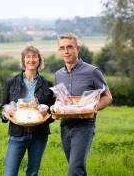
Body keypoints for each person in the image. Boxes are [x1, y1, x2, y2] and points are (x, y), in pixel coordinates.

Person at [54, 33, 113, 176]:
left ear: (77, 48)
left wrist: (93, 107)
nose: (66, 51)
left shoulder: (92, 71)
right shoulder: (58, 74)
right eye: (62, 48)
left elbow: (108, 97)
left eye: (70, 47)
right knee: (78, 169)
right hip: (65, 126)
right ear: (59, 51)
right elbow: (59, 99)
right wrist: (55, 108)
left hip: (84, 126)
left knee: (74, 171)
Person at [0, 46, 55, 176]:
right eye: (28, 57)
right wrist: (6, 113)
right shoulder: (11, 83)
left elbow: (52, 113)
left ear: (39, 60)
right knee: (9, 173)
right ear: (23, 60)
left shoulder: (48, 84)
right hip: (17, 134)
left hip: (39, 135)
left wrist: (46, 113)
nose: (31, 60)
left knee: (32, 173)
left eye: (34, 56)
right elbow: (2, 108)